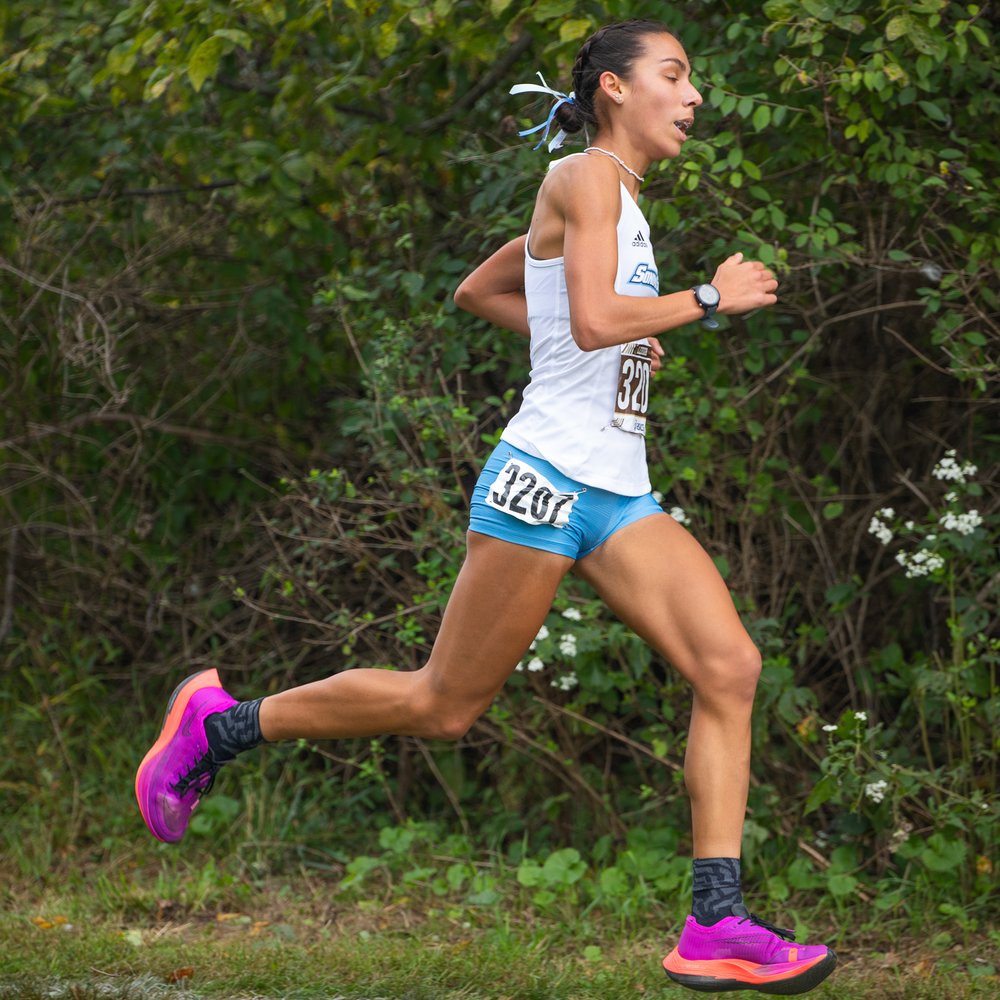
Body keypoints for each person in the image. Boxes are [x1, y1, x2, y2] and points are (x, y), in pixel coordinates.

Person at [135, 19, 836, 996]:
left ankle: (714, 918)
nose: (694, 97)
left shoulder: (617, 201)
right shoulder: (586, 179)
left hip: (616, 490)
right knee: (442, 705)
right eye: (673, 76)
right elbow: (593, 318)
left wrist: (618, 336)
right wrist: (701, 302)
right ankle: (218, 726)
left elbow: (490, 292)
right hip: (544, 479)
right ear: (614, 92)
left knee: (728, 664)